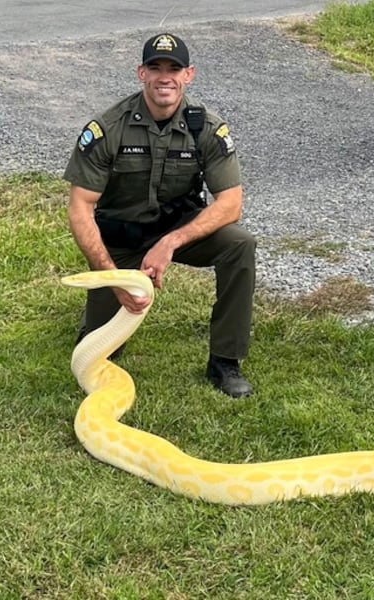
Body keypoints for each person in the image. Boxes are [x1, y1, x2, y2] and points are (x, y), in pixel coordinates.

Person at [62, 32, 256, 398]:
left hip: (177, 231)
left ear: (189, 74)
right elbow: (80, 208)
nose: (164, 76)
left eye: (174, 68)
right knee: (98, 353)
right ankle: (97, 314)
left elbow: (231, 203)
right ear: (141, 73)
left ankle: (225, 362)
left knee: (240, 245)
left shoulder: (208, 128)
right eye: (155, 67)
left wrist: (170, 242)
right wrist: (111, 277)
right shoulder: (107, 129)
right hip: (121, 239)